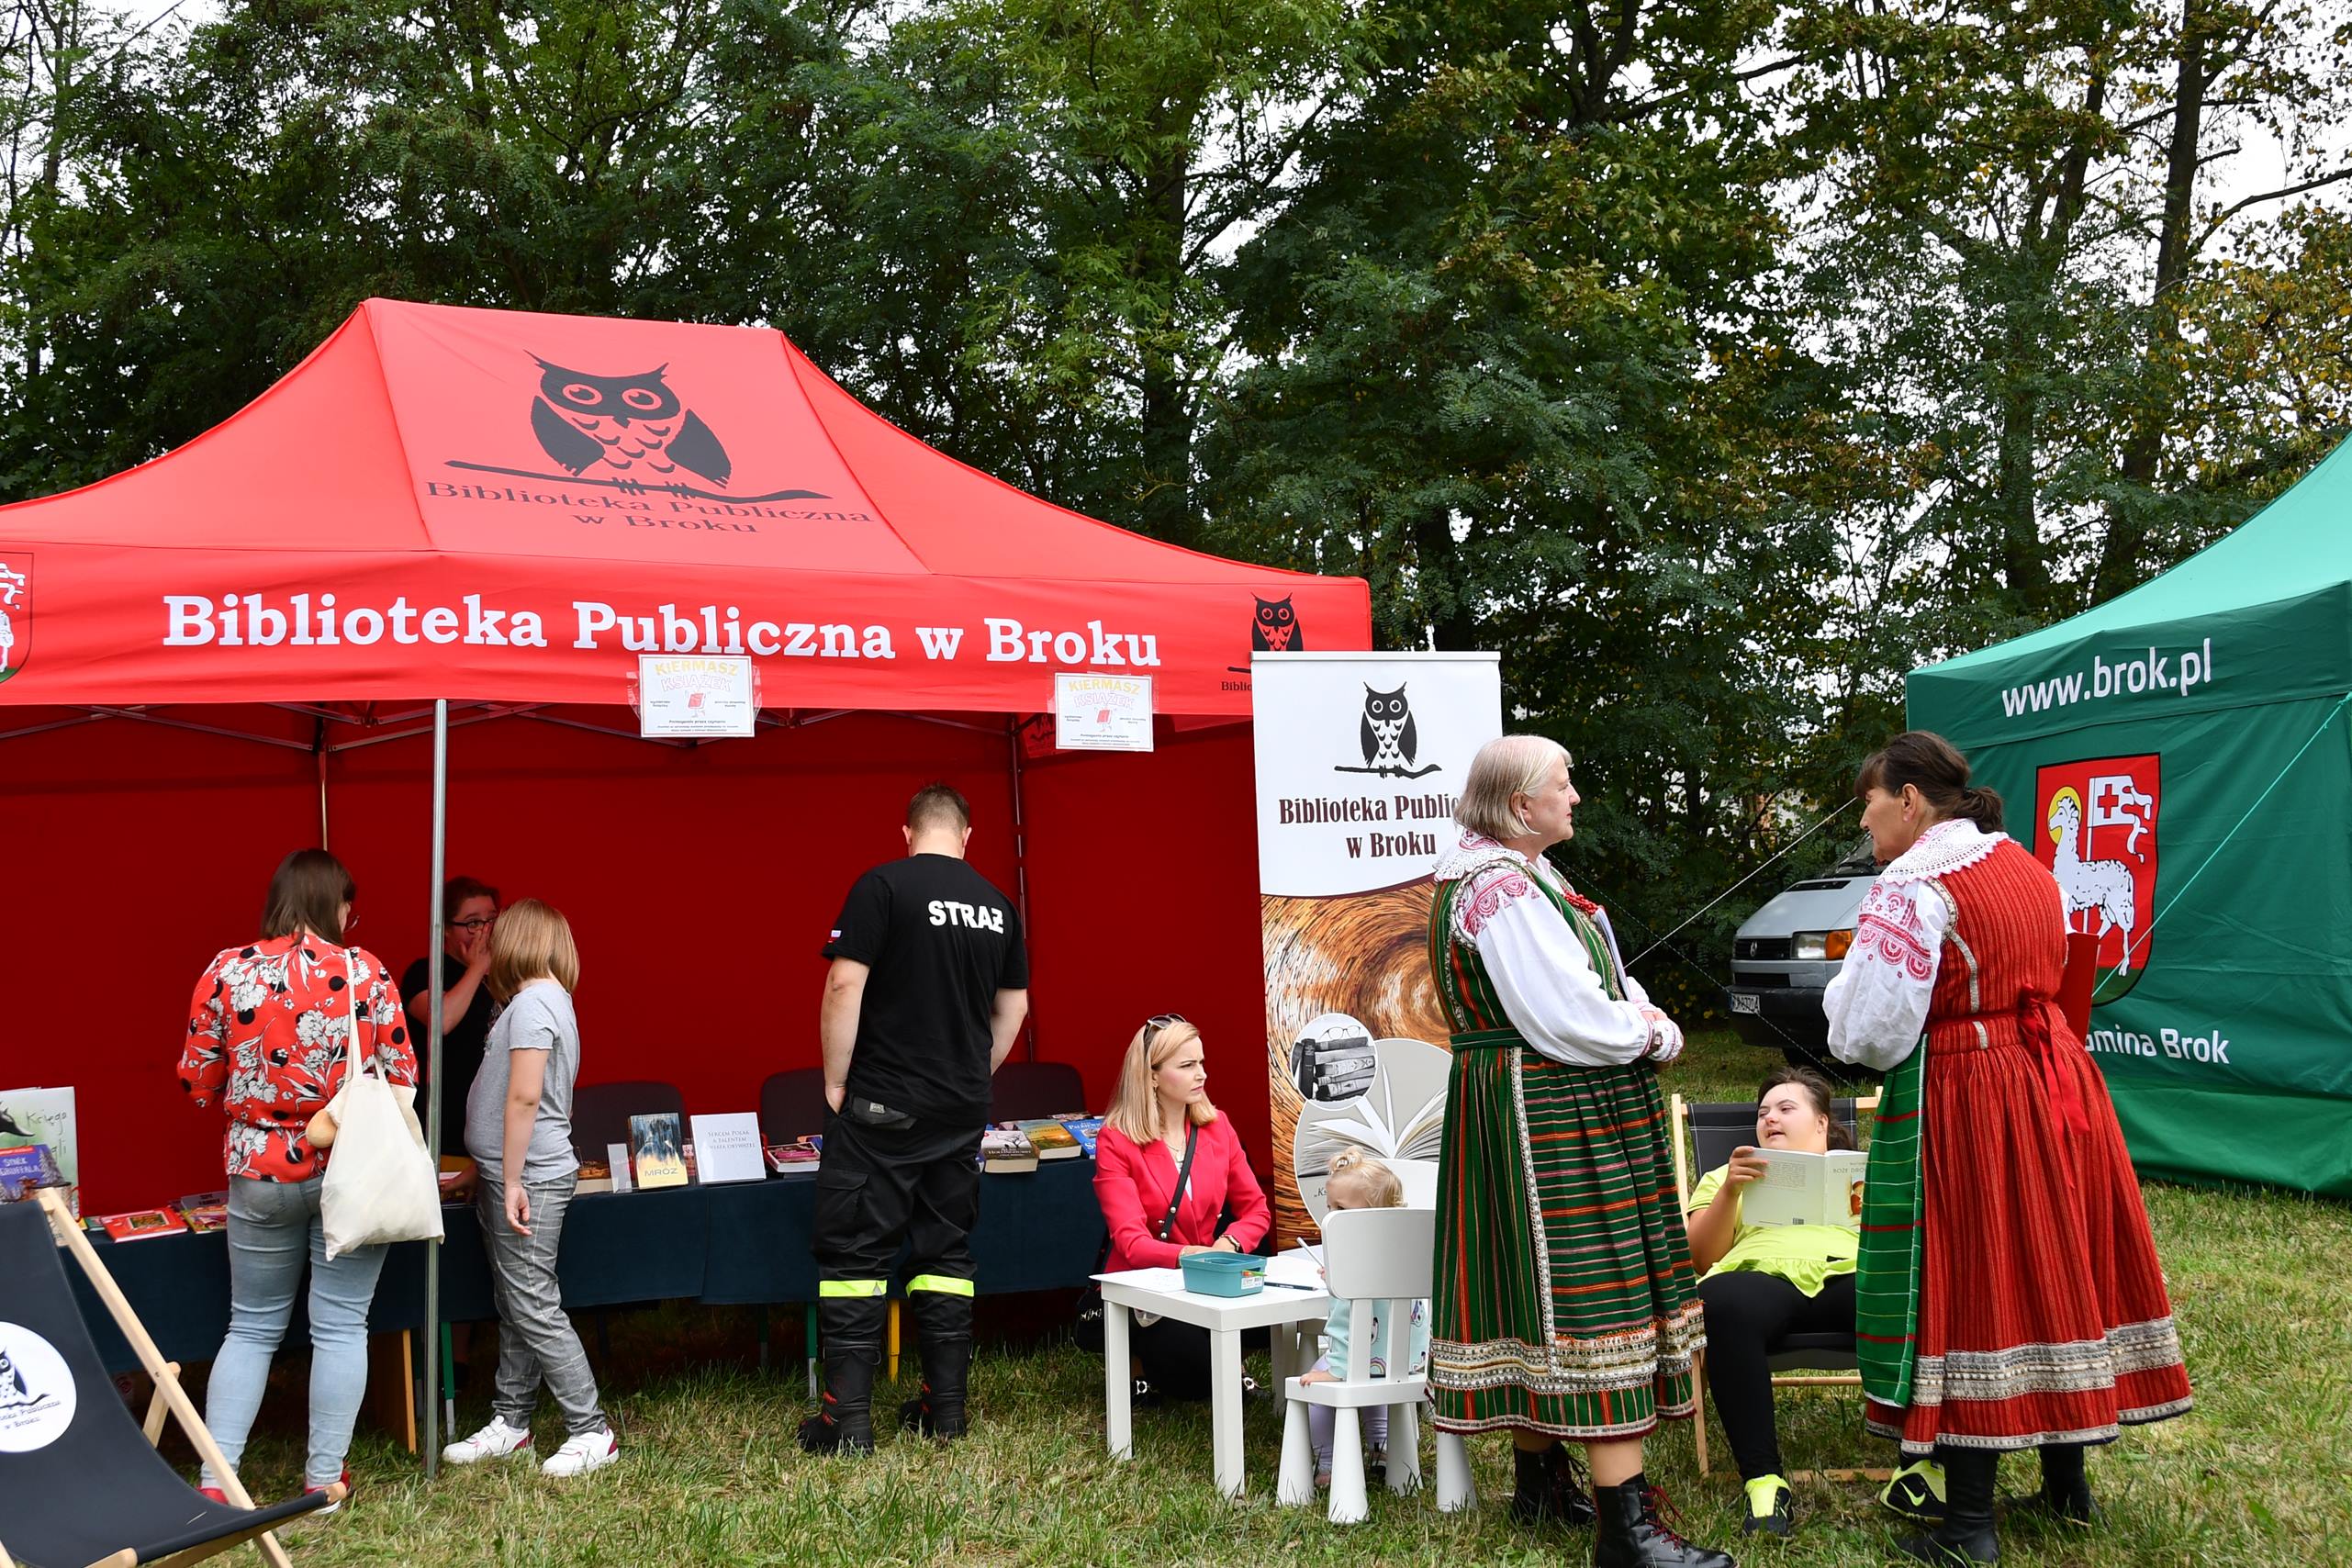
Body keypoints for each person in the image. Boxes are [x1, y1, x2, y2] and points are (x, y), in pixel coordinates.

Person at [1825, 732, 2192, 1565]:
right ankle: (2068, 1491)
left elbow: (1872, 1034)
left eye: (1870, 802)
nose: (1867, 818)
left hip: (1971, 1088)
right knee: (2052, 1265)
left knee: (1975, 1278)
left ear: (1909, 801)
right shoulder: (2025, 865)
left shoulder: (1913, 883)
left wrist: (1841, 1001)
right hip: (2053, 1074)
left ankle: (1970, 1530)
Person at [1426, 734, 1732, 1568]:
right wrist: (1655, 1032)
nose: (1576, 798)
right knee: (1591, 1293)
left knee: (1535, 1294)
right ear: (1521, 805)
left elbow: (1587, 985)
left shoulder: (1518, 879)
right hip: (1548, 1106)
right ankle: (1625, 1531)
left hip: (1517, 1100)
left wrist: (1632, 1017)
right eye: (1565, 784)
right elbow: (1570, 1015)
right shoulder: (1502, 890)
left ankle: (1538, 1487)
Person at [177, 848, 412, 1512]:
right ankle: (324, 1481)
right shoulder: (364, 971)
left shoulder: (226, 970)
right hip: (353, 1167)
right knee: (341, 1325)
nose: (350, 918)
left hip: (259, 1169)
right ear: (333, 904)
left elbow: (197, 1080)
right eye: (348, 906)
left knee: (250, 1327)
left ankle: (218, 1482)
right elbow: (402, 1076)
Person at [800, 782, 1031, 1453]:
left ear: (907, 832)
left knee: (855, 1254)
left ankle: (847, 1423)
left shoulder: (882, 886)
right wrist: (971, 1074)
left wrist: (836, 1081)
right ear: (968, 835)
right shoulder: (998, 906)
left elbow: (845, 983)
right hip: (960, 1111)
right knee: (944, 1252)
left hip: (881, 1103)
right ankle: (946, 1411)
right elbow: (1013, 1010)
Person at [441, 899, 618, 1479]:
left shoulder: (534, 1003)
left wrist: (512, 1177)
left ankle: (591, 1430)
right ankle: (511, 1421)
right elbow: (506, 1100)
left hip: (531, 1177)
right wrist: (482, 1167)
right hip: (507, 1173)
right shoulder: (533, 1002)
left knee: (533, 1302)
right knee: (516, 1302)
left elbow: (524, 1098)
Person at [1681, 1070, 1860, 1538]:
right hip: (1760, 1277)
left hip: (1848, 1271)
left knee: (1902, 1296)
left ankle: (1920, 1465)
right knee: (1721, 1300)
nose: (1770, 1118)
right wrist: (1731, 1192)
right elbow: (1702, 1257)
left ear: (1822, 1123)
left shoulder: (1858, 1174)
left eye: (1786, 1108)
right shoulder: (1727, 1174)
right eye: (1763, 1113)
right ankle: (1763, 1480)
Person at [1090, 1014, 1272, 1400]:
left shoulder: (1217, 1125)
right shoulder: (1116, 1139)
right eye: (1187, 1066)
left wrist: (1227, 1248)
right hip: (1149, 1285)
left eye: (1202, 1063)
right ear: (1152, 1075)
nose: (1201, 1074)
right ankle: (1141, 1361)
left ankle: (1217, 1361)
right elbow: (1131, 1244)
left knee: (1282, 1323)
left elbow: (1256, 1210)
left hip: (1210, 1278)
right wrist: (1197, 1256)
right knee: (1197, 1376)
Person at [1296, 1148, 1428, 1486]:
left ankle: (1326, 1464)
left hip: (1358, 1362)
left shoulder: (1354, 1266)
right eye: (1330, 1208)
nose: (1331, 1217)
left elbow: (1343, 1329)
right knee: (1373, 1377)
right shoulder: (1407, 1252)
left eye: (1341, 1209)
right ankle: (1381, 1449)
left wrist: (1335, 1371)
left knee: (1315, 1383)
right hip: (1404, 1364)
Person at [404, 876, 501, 1159]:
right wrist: (479, 965)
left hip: (495, 1136)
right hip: (443, 1138)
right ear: (446, 929)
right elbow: (441, 1022)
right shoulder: (424, 972)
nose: (484, 932)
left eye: (491, 920)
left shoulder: (504, 978)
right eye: (472, 923)